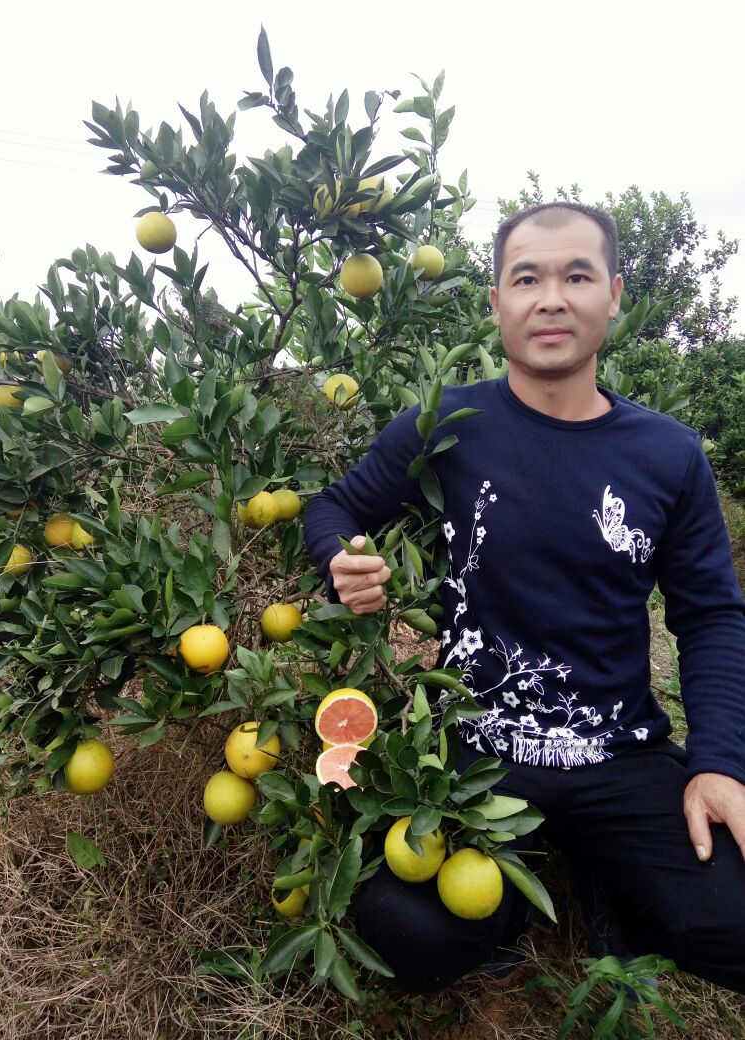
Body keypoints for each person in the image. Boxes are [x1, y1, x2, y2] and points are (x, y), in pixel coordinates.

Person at [302, 201, 745, 996]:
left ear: (612, 294)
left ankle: (610, 882)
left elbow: (709, 616)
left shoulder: (668, 455)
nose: (551, 297)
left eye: (576, 275)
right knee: (406, 935)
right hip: (478, 755)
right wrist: (340, 559)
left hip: (618, 754)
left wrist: (718, 764)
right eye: (526, 278)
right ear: (497, 303)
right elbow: (332, 507)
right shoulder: (446, 424)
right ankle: (513, 910)